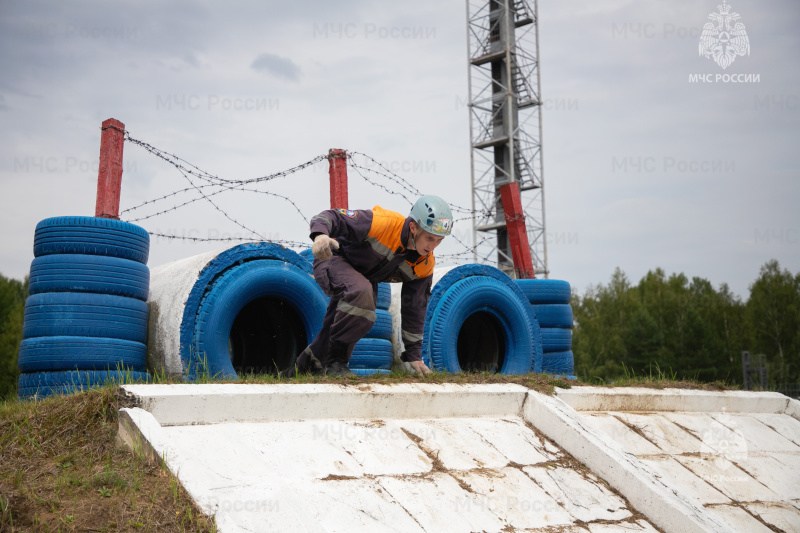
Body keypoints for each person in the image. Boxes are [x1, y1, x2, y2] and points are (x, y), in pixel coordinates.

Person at [282, 195, 453, 377]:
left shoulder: (424, 265)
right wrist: (320, 236)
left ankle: (300, 370)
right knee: (362, 294)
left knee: (360, 315)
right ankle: (336, 364)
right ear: (413, 227)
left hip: (362, 278)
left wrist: (414, 355)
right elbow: (332, 216)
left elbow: (415, 309)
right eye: (429, 238)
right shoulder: (382, 223)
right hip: (332, 259)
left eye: (439, 240)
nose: (433, 246)